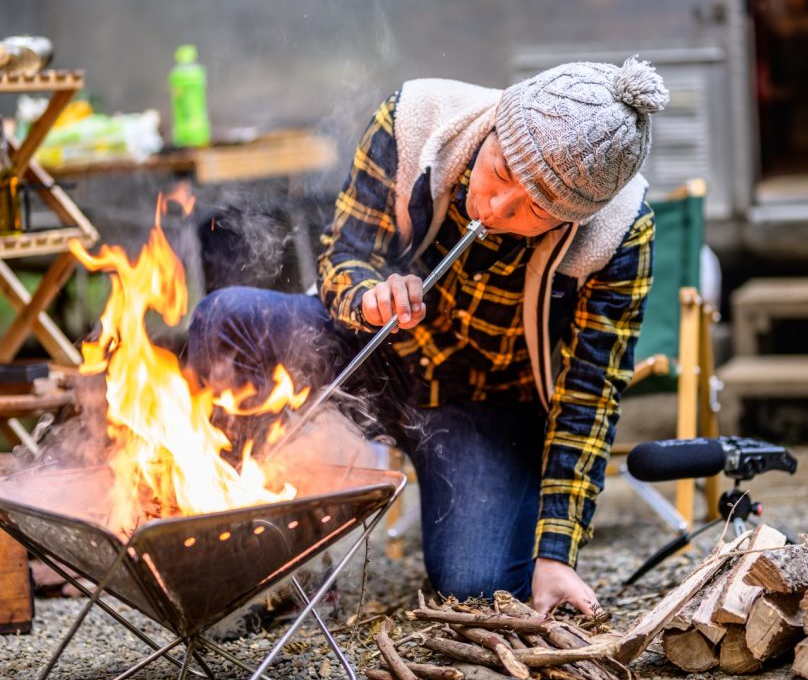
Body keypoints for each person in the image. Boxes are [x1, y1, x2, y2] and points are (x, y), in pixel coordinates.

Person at [188, 57, 667, 616]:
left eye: (535, 210)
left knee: (476, 586)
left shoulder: (621, 232)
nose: (496, 207)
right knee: (226, 318)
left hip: (486, 406)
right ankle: (253, 549)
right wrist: (367, 297)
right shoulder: (413, 120)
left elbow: (589, 396)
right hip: (375, 355)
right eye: (503, 172)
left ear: (572, 219)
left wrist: (556, 554)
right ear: (493, 126)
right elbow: (344, 252)